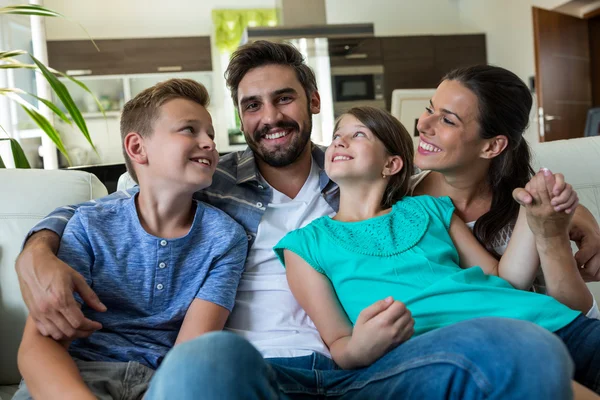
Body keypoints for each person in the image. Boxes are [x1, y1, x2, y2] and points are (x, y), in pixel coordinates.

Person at [13, 41, 593, 398]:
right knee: (207, 360)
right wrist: (37, 248)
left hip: (367, 366)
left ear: (313, 100)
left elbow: (473, 176)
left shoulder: (365, 177)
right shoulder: (212, 181)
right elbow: (119, 200)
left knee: (516, 349)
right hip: (252, 370)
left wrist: (567, 211)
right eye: (251, 105)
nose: (270, 117)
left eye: (284, 98)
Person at [273, 106, 600, 396]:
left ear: (391, 164)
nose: (338, 142)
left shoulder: (429, 209)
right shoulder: (305, 245)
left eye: (357, 134)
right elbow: (340, 346)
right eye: (335, 136)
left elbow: (501, 278)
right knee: (516, 362)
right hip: (446, 350)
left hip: (539, 318)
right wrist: (360, 347)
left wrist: (533, 214)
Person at [13, 79, 248, 400]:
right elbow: (38, 348)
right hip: (76, 376)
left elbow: (192, 355)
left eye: (211, 134)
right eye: (189, 130)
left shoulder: (225, 237)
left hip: (164, 382)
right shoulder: (90, 225)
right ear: (138, 147)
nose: (209, 142)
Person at [411, 65, 600, 316]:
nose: (422, 124)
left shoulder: (527, 210)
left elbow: (581, 321)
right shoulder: (397, 198)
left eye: (447, 119)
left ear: (492, 146)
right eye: (429, 109)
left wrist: (555, 232)